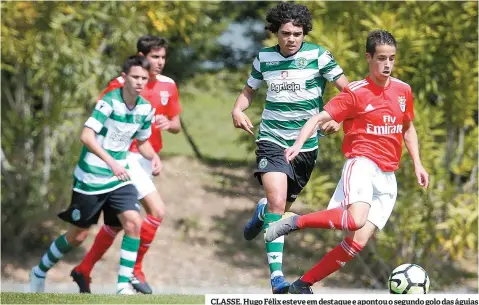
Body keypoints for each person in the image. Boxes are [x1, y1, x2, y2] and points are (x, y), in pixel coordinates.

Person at [264, 30, 429, 294]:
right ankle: (295, 221)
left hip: (388, 175)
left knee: (357, 242)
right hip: (362, 163)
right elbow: (316, 119)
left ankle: (302, 284)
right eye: (381, 58)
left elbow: (407, 127)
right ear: (369, 58)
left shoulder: (403, 91)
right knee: (354, 220)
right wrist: (297, 145)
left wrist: (418, 164)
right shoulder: (355, 93)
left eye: (392, 59)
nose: (387, 65)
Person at [231, 2, 348, 294]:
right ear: (275, 33)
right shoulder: (263, 58)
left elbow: (349, 92)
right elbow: (249, 90)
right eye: (285, 33)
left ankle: (261, 213)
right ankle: (277, 279)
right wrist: (237, 109)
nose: (292, 39)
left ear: (304, 32)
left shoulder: (319, 56)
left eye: (297, 33)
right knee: (278, 200)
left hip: (306, 146)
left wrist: (340, 118)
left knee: (280, 210)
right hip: (272, 138)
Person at [29, 55, 161, 295]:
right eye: (135, 77)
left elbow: (142, 142)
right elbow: (86, 136)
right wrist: (111, 162)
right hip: (90, 177)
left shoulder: (145, 108)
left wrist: (154, 157)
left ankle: (122, 287)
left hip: (119, 178)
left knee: (133, 222)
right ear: (124, 78)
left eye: (144, 78)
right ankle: (39, 271)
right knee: (78, 236)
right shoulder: (108, 102)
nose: (140, 82)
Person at [71, 35, 182, 294]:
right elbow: (102, 118)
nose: (160, 62)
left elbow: (176, 123)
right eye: (155, 57)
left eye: (163, 57)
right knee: (156, 211)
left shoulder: (169, 85)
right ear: (141, 58)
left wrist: (168, 124)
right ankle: (134, 271)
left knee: (119, 223)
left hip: (146, 158)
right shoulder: (121, 85)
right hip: (126, 157)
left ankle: (84, 269)